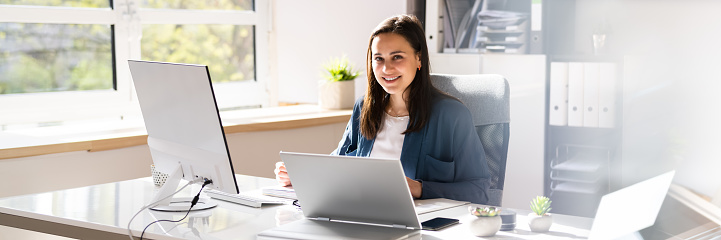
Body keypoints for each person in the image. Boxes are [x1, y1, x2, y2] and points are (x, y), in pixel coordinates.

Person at [275, 14, 491, 204]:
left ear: (419, 58)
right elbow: (337, 166)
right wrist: (300, 175)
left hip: (421, 225)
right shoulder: (364, 108)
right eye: (379, 59)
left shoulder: (451, 115)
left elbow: (480, 191)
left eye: (397, 57)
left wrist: (419, 188)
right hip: (362, 214)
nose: (386, 68)